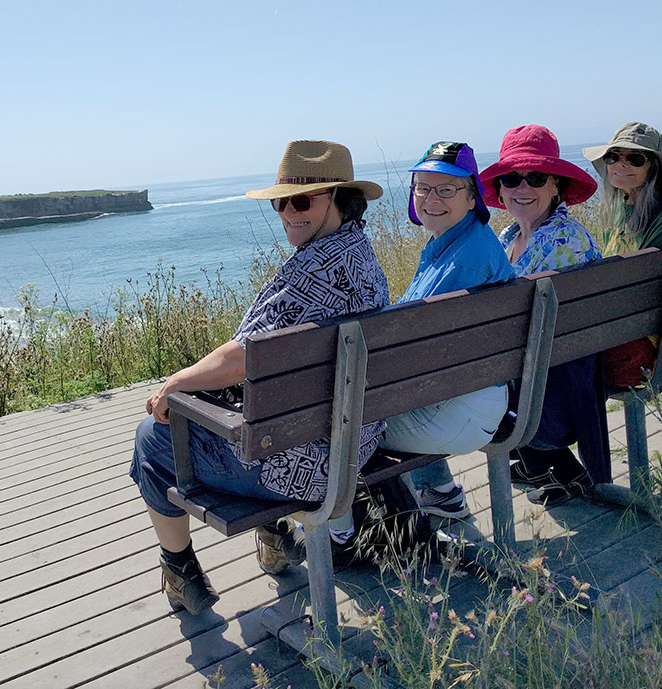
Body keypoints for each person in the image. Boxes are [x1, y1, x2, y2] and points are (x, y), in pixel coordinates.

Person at [130, 140, 390, 615]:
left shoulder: (315, 269)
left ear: (337, 197)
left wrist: (174, 384)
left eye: (302, 200)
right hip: (357, 441)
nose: (288, 212)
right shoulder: (361, 255)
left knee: (153, 436)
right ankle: (276, 539)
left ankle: (179, 569)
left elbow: (244, 357)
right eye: (281, 201)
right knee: (250, 411)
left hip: (305, 467)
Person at [376, 141, 515, 519]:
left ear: (472, 198)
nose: (431, 198)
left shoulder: (465, 260)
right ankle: (438, 491)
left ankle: (350, 533)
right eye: (423, 187)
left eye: (447, 189)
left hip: (460, 410)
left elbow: (405, 348)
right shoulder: (456, 242)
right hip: (466, 395)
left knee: (340, 426)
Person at [479, 124, 607, 505]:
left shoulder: (562, 240)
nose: (522, 187)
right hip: (546, 374)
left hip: (554, 391)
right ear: (500, 189)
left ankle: (551, 467)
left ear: (556, 186)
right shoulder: (507, 238)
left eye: (535, 177)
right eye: (511, 178)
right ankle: (546, 468)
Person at [583, 122, 662, 387]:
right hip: (614, 331)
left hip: (638, 347)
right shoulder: (618, 207)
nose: (620, 164)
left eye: (634, 159)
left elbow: (636, 293)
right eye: (613, 156)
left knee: (561, 364)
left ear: (652, 168)